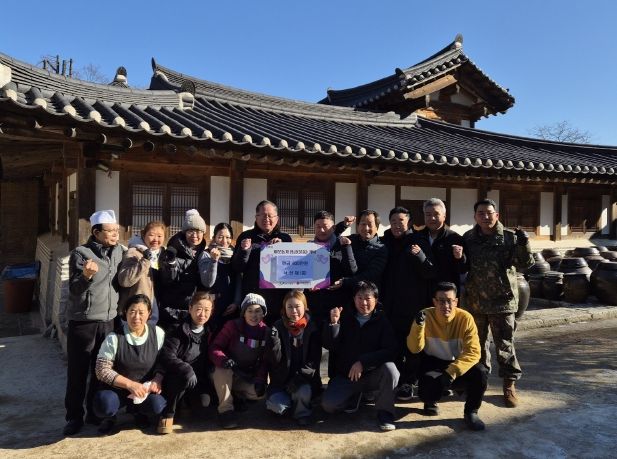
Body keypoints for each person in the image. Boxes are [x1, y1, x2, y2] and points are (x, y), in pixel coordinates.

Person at [462, 198, 533, 408]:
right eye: (481, 213)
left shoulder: (510, 238)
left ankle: (509, 385)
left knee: (505, 345)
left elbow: (525, 264)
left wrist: (524, 244)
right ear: (475, 216)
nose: (485, 217)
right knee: (477, 346)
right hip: (476, 302)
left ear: (497, 215)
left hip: (502, 301)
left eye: (489, 213)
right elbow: (464, 265)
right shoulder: (468, 238)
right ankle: (479, 382)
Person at [63, 209, 125, 436]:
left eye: (117, 230)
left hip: (110, 321)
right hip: (84, 322)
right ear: (96, 232)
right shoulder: (81, 253)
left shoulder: (120, 251)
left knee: (102, 371)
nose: (115, 234)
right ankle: (74, 417)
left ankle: (95, 413)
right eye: (110, 231)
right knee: (78, 373)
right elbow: (74, 289)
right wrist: (86, 276)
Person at [407, 282, 488, 431]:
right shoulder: (424, 315)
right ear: (434, 301)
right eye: (441, 301)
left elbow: (473, 352)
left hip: (456, 364)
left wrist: (451, 372)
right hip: (433, 363)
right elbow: (414, 348)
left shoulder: (465, 318)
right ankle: (430, 401)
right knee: (427, 392)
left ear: (456, 301)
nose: (446, 305)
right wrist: (418, 327)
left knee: (481, 373)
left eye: (450, 301)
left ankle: (471, 412)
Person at [321, 281, 399, 432]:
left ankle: (385, 413)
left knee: (391, 370)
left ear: (376, 299)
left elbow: (390, 350)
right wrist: (334, 324)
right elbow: (330, 345)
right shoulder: (344, 317)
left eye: (368, 298)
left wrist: (363, 362)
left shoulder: (382, 320)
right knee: (328, 405)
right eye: (359, 298)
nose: (364, 303)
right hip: (347, 376)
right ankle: (355, 396)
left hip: (372, 375)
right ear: (354, 299)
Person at [380, 207, 434, 402]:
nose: (397, 225)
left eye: (401, 221)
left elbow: (430, 271)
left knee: (412, 346)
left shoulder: (418, 242)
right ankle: (393, 380)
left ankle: (408, 382)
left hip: (412, 305)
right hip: (389, 305)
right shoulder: (384, 242)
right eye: (393, 221)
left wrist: (420, 256)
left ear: (409, 222)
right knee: (392, 344)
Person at [93, 294, 166, 434]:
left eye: (141, 312)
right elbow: (101, 370)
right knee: (104, 404)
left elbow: (163, 362)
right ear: (125, 312)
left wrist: (158, 378)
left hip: (144, 389)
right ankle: (110, 418)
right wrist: (130, 385)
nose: (136, 317)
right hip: (118, 389)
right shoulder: (114, 338)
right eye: (132, 311)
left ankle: (138, 412)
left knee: (157, 405)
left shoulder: (157, 333)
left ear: (149, 314)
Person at [209, 293, 272, 429]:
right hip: (226, 370)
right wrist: (223, 359)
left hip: (245, 375)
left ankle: (235, 395)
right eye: (250, 311)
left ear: (263, 313)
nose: (253, 315)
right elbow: (215, 347)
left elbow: (265, 360)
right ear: (244, 313)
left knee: (258, 394)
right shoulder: (232, 326)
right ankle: (225, 410)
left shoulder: (266, 332)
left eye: (258, 311)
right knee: (222, 371)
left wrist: (260, 379)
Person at [158, 291, 215, 434]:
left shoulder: (209, 331)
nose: (202, 314)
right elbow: (167, 355)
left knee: (204, 404)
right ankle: (168, 414)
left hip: (198, 378)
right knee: (181, 379)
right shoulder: (178, 328)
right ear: (190, 308)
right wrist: (186, 369)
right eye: (199, 309)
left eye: (207, 310)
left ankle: (186, 403)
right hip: (177, 375)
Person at [266, 290, 322, 426]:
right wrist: (274, 341)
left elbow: (313, 361)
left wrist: (298, 379)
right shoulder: (278, 326)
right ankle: (289, 406)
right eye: (289, 307)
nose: (294, 311)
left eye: (297, 306)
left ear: (305, 307)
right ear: (284, 309)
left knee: (303, 391)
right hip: (281, 381)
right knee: (277, 406)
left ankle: (302, 412)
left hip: (303, 380)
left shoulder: (312, 327)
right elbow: (274, 361)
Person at [232, 200, 292, 325]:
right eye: (263, 215)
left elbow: (290, 269)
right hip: (253, 298)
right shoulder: (246, 237)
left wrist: (282, 249)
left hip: (278, 297)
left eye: (270, 216)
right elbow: (237, 267)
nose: (267, 219)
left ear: (277, 218)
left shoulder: (285, 238)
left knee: (276, 332)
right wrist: (244, 250)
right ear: (256, 217)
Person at [304, 211, 357, 327]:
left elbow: (351, 271)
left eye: (325, 226)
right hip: (314, 305)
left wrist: (347, 248)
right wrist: (306, 284)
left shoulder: (343, 244)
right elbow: (302, 274)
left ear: (333, 228)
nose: (322, 230)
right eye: (318, 226)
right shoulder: (308, 247)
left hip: (339, 305)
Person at [159, 209, 208, 329]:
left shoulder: (204, 253)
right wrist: (171, 263)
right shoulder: (172, 251)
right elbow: (166, 279)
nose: (195, 235)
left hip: (194, 311)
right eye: (191, 231)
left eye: (198, 231)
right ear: (184, 232)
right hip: (172, 310)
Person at [328, 210, 388, 295]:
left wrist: (345, 282)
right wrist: (343, 225)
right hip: (346, 294)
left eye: (370, 224)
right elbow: (331, 238)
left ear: (377, 227)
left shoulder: (381, 248)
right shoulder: (352, 239)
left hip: (367, 295)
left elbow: (370, 275)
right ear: (358, 226)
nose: (366, 228)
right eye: (363, 224)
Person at [118, 221, 166, 325]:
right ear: (143, 235)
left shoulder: (163, 254)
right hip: (136, 309)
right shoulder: (133, 252)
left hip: (155, 306)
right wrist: (145, 261)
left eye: (159, 236)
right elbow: (124, 280)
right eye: (151, 235)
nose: (155, 239)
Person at [414, 198, 467, 294]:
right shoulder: (416, 237)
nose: (432, 218)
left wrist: (460, 258)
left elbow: (463, 269)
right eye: (428, 215)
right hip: (420, 293)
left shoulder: (455, 238)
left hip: (445, 294)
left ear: (444, 216)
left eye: (436, 214)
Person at [198, 222, 242, 335]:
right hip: (212, 307)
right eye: (220, 237)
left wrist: (236, 302)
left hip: (231, 306)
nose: (224, 241)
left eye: (228, 237)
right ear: (214, 238)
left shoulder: (235, 255)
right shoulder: (206, 254)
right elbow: (208, 283)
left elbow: (238, 280)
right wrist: (214, 260)